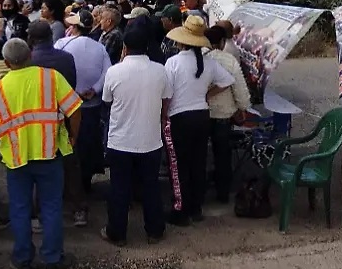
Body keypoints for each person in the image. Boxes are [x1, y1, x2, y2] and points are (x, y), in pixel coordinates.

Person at [0, 39, 81, 269]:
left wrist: (3, 148)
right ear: (30, 55)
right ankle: (53, 258)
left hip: (16, 159)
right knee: (52, 207)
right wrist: (72, 138)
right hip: (50, 153)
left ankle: (23, 259)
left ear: (6, 62)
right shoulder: (51, 77)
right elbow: (74, 109)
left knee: (20, 209)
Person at [100, 26, 170, 247]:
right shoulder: (160, 70)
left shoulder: (114, 72)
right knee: (151, 186)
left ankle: (117, 233)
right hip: (150, 139)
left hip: (121, 140)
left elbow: (107, 101)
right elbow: (166, 100)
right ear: (147, 47)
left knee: (119, 187)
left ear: (125, 47)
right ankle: (155, 231)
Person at [163, 16, 235, 226]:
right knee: (198, 163)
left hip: (179, 118)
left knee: (178, 166)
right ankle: (196, 207)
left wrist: (163, 116)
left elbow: (167, 94)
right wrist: (207, 95)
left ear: (181, 40)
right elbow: (228, 81)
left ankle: (180, 210)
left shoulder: (173, 62)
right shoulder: (208, 62)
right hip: (202, 116)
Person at [54, 10, 111, 228]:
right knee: (87, 144)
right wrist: (94, 90)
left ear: (74, 26)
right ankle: (84, 183)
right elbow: (107, 72)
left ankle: (67, 189)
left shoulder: (61, 44)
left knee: (66, 146)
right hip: (90, 103)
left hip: (65, 105)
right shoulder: (100, 47)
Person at [205, 25, 249, 204]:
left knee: (200, 153)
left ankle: (199, 192)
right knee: (222, 154)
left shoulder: (201, 59)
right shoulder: (229, 60)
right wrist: (243, 107)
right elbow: (239, 88)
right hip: (223, 114)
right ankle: (223, 193)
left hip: (202, 113)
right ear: (223, 42)